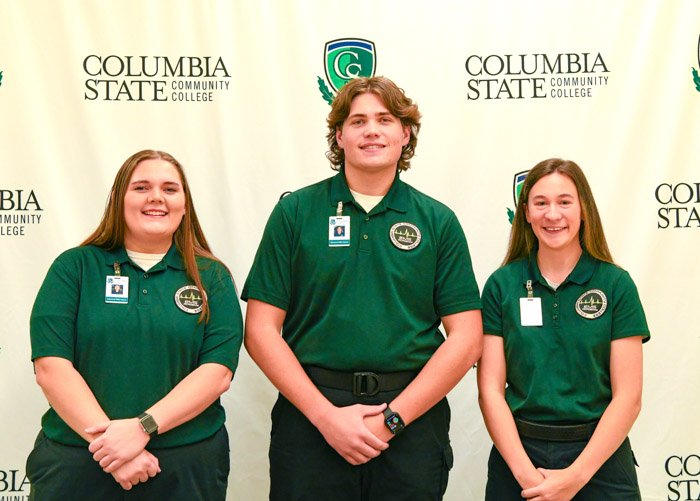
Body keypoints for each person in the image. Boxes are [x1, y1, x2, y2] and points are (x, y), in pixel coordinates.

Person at [242, 76, 483, 500]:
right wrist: (325, 418)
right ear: (339, 135)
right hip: (312, 416)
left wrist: (392, 420)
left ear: (405, 133)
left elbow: (466, 339)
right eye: (358, 121)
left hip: (410, 418)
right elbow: (260, 330)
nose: (372, 130)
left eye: (385, 119)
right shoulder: (294, 212)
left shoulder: (437, 221)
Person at [27, 150, 243, 500]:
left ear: (185, 205)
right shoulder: (74, 268)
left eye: (170, 189)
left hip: (184, 468)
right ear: (119, 200)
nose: (156, 197)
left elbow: (217, 373)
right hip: (79, 464)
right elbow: (51, 368)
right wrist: (111, 450)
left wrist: (142, 429)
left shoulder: (211, 277)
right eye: (141, 187)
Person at [478, 158, 650, 500]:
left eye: (564, 202)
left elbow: (628, 398)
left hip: (599, 459)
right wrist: (527, 476)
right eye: (541, 203)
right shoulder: (501, 285)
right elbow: (490, 391)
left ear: (583, 209)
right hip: (519, 458)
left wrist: (575, 477)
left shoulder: (616, 285)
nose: (552, 214)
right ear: (526, 213)